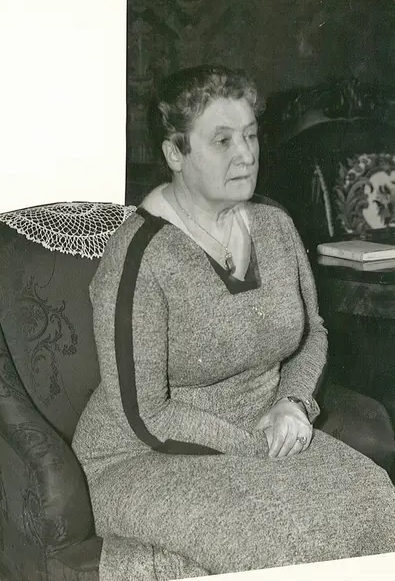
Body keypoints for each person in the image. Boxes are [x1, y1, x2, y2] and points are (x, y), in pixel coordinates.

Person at [72, 65, 395, 580]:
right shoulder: (140, 256)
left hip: (264, 431)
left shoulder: (275, 224)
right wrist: (254, 446)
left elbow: (311, 333)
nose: (245, 154)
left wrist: (293, 404)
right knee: (277, 538)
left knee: (377, 503)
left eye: (250, 135)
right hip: (144, 456)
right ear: (175, 153)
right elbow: (146, 413)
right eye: (222, 140)